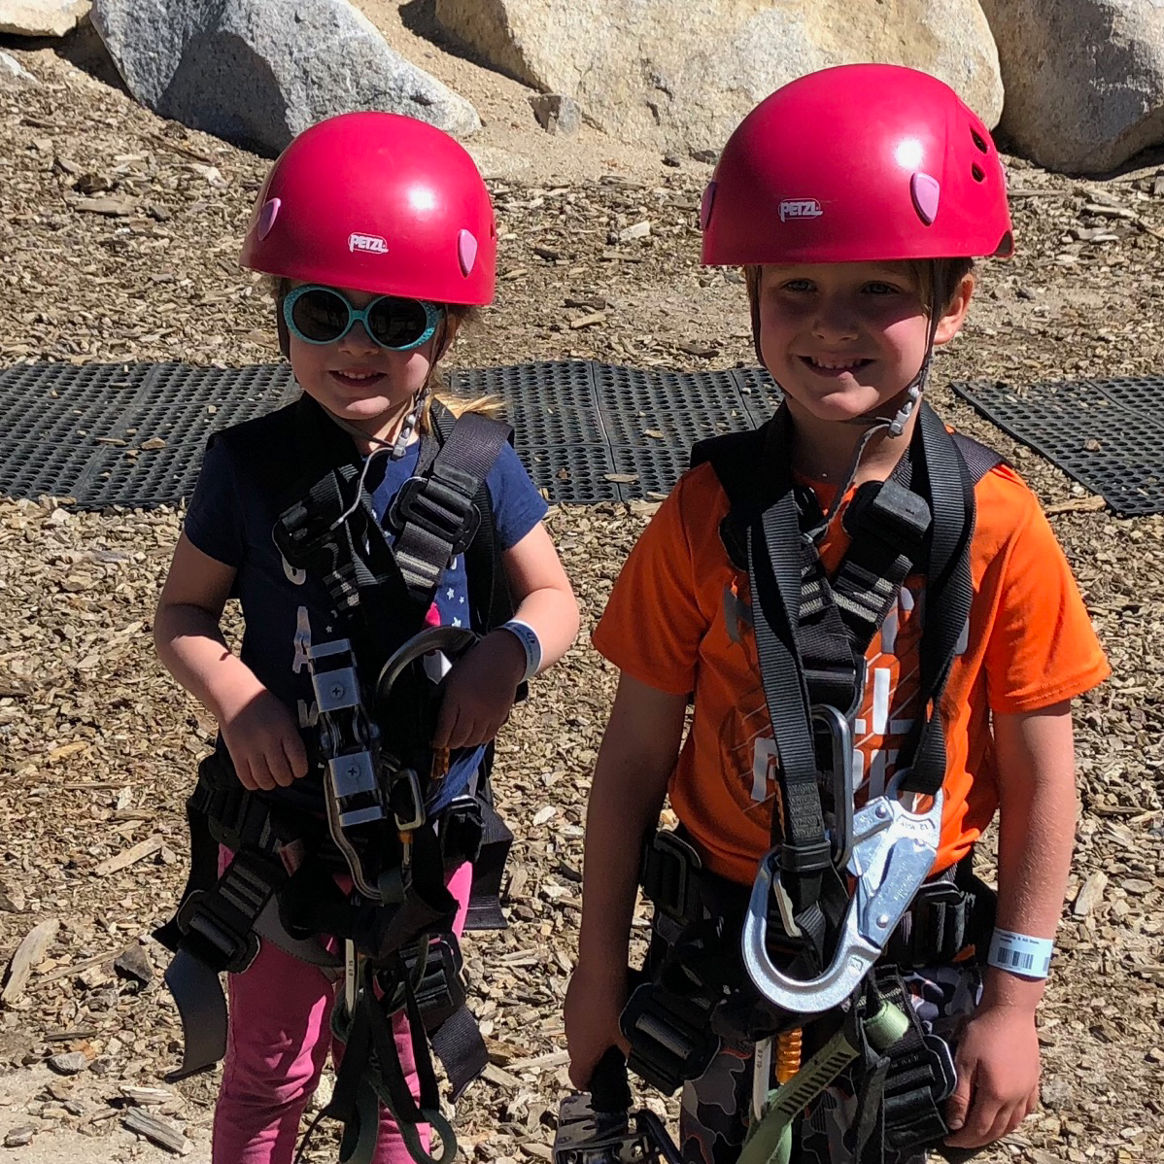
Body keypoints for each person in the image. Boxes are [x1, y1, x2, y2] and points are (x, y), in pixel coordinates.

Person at [565, 64, 1108, 1164]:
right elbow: (632, 755)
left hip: (915, 958)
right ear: (752, 297)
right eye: (796, 291)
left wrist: (1014, 1000)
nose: (831, 327)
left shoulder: (996, 526)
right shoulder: (708, 517)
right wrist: (596, 967)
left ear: (955, 302)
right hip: (726, 952)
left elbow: (1046, 771)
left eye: (877, 292)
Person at [154, 111, 579, 1164]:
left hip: (428, 822)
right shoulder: (248, 467)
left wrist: (505, 653)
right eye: (323, 311)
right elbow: (184, 614)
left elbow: (555, 601)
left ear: (444, 331)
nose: (356, 344)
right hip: (281, 821)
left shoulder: (479, 467)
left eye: (395, 318)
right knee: (272, 1064)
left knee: (399, 1053)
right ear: (281, 318)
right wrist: (237, 698)